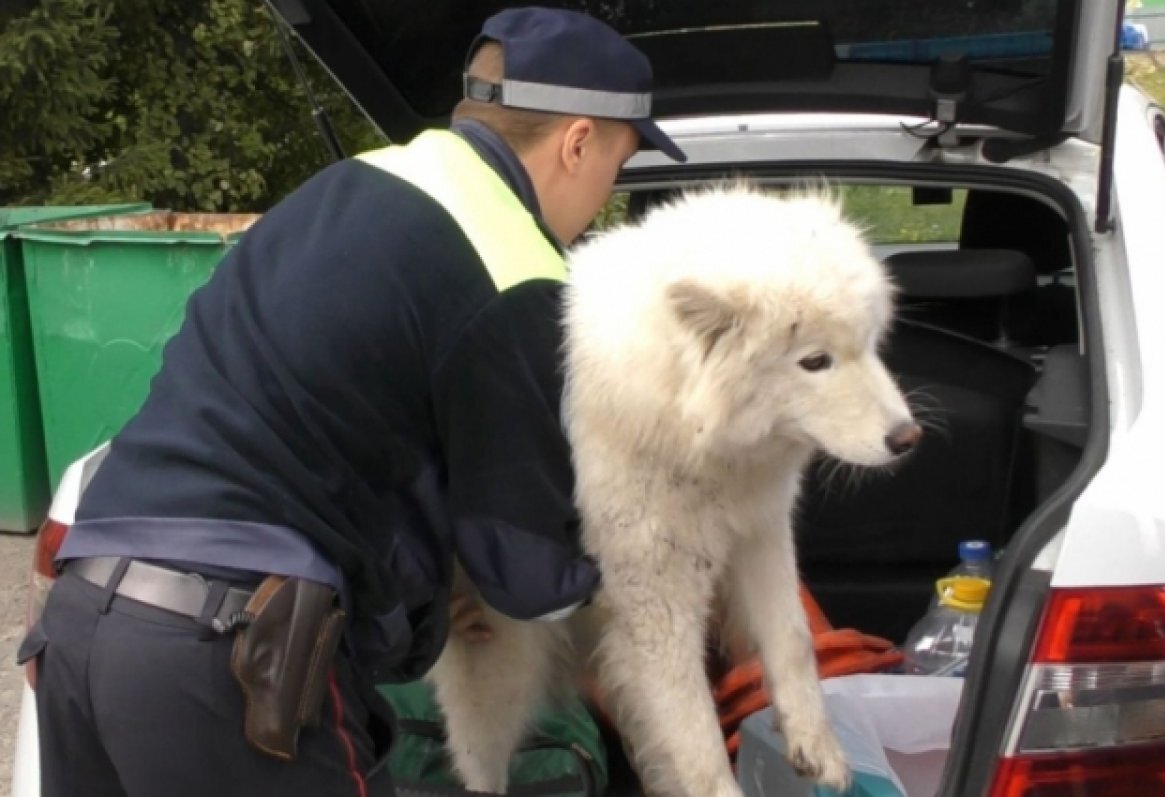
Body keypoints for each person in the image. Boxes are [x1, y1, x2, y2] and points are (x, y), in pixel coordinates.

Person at [18, 7, 686, 796]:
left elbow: (320, 421)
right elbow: (532, 575)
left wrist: (437, 585)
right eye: (619, 161)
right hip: (231, 653)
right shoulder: (513, 264)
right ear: (578, 142)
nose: (608, 193)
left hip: (85, 624)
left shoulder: (345, 190)